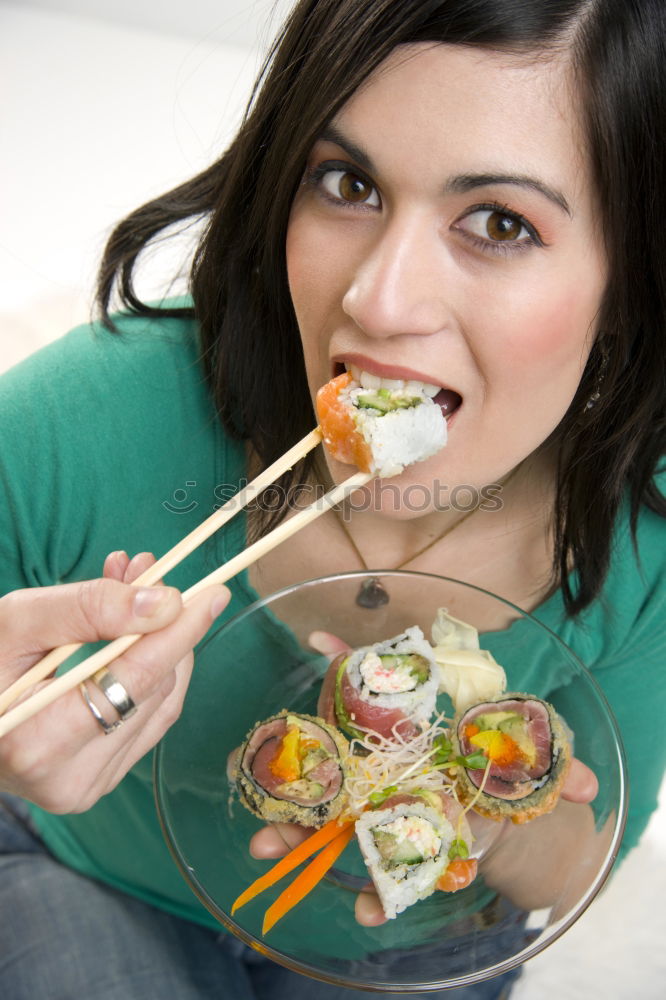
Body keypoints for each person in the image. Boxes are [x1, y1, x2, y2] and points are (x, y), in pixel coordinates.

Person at [1, 0, 664, 997]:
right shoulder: (76, 422)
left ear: (631, 283)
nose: (377, 300)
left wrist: (482, 814)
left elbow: (581, 862)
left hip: (419, 945)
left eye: (499, 222)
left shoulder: (645, 525)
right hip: (92, 877)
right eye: (348, 183)